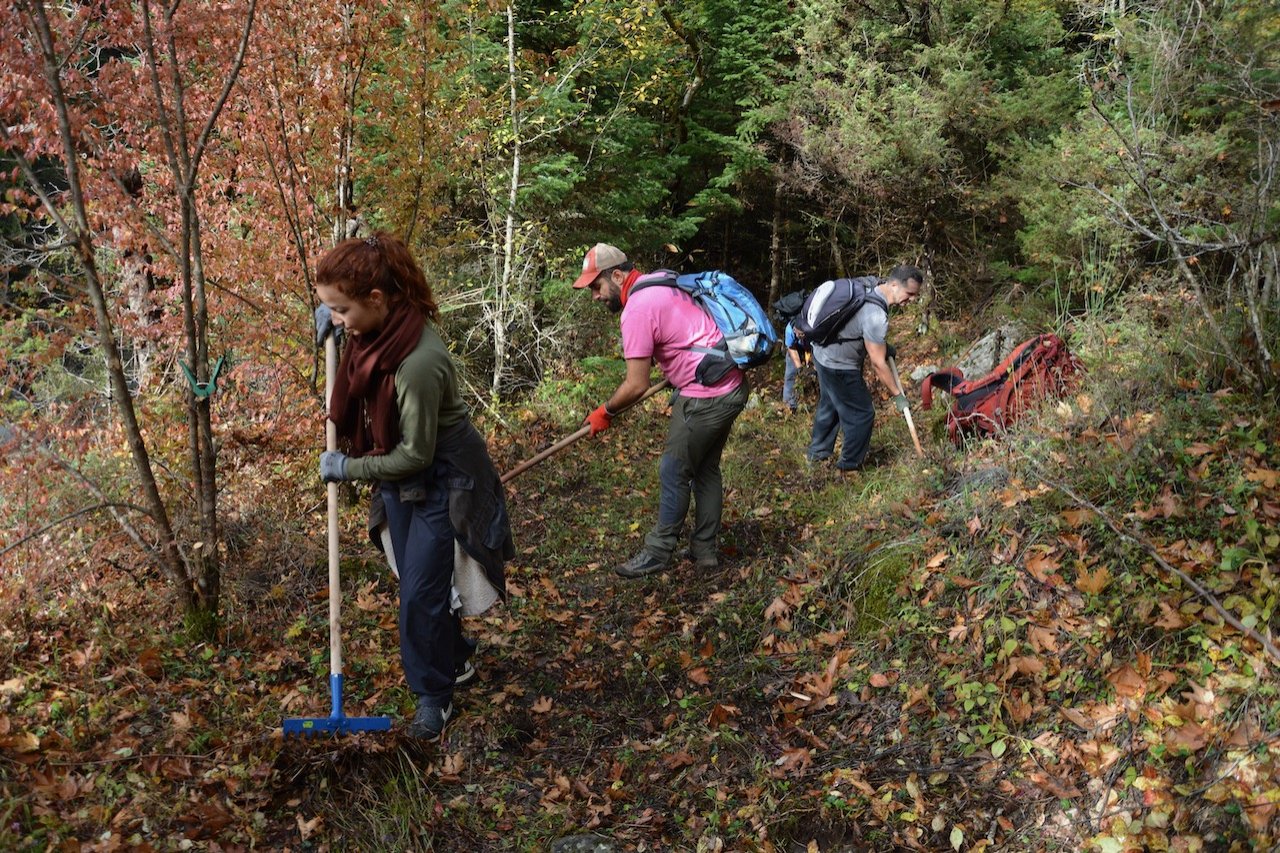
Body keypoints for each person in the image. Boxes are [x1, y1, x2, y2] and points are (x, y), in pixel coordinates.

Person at [314, 233, 514, 741]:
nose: (337, 319)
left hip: (442, 475)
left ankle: (434, 697)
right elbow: (360, 356)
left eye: (341, 310)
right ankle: (457, 658)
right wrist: (336, 334)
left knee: (421, 594)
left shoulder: (418, 362)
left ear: (377, 300)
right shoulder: (376, 333)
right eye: (330, 310)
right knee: (414, 578)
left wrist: (347, 468)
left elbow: (415, 455)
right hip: (401, 473)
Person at [574, 243, 748, 578]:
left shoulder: (638, 308)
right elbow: (685, 333)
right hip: (731, 382)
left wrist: (605, 412)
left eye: (597, 287)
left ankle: (658, 552)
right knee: (706, 469)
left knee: (674, 470)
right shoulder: (660, 282)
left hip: (706, 394)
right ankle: (704, 551)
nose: (596, 296)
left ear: (618, 275)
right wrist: (677, 371)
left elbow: (636, 385)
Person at [807, 265, 922, 472]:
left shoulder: (870, 286)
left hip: (822, 354)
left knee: (831, 404)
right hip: (839, 366)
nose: (912, 299)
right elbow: (878, 364)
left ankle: (817, 455)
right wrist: (897, 395)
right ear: (894, 285)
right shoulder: (876, 316)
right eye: (910, 294)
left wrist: (883, 346)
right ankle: (849, 467)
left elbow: (857, 326)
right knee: (862, 414)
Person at [781, 320, 809, 413]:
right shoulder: (789, 330)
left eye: (800, 334)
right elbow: (791, 348)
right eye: (796, 333)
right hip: (795, 348)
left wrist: (810, 365)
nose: (797, 335)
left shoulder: (813, 329)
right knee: (790, 375)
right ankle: (789, 405)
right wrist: (799, 368)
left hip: (812, 347)